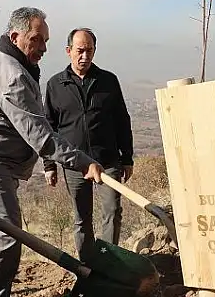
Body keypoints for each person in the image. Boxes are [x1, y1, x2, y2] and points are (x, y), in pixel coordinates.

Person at [0, 7, 105, 297]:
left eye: (45, 41)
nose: (43, 48)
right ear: (15, 36)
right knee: (4, 242)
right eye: (37, 40)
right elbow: (41, 136)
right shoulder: (12, 75)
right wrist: (83, 162)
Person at [43, 27, 134, 261]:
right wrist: (49, 165)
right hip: (74, 164)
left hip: (108, 159)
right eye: (80, 51)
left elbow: (122, 120)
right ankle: (86, 266)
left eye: (90, 51)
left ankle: (108, 263)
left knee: (112, 213)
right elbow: (49, 127)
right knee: (81, 217)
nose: (85, 56)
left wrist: (128, 158)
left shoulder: (108, 81)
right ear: (68, 51)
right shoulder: (55, 85)